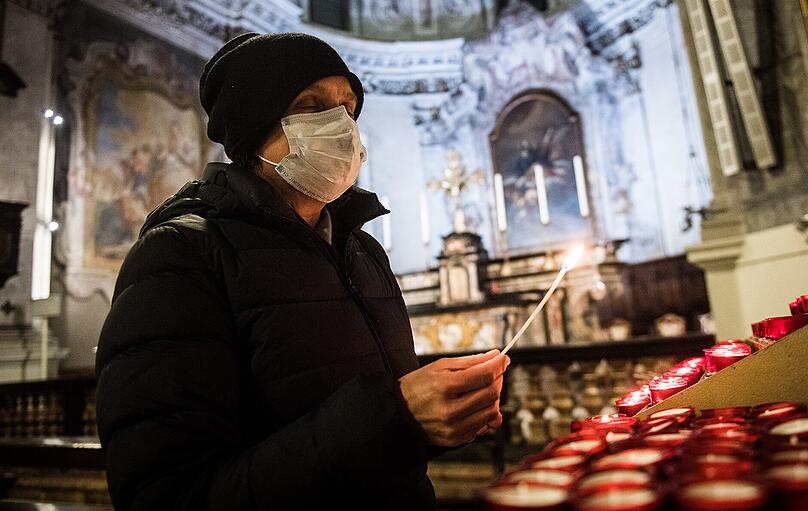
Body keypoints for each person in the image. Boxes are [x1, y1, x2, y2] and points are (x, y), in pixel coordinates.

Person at [94, 33, 509, 510]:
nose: (339, 125)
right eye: (310, 106)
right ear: (253, 129)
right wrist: (396, 417)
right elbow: (167, 495)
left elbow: (375, 424)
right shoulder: (181, 256)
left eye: (347, 107)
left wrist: (438, 417)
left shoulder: (363, 251)